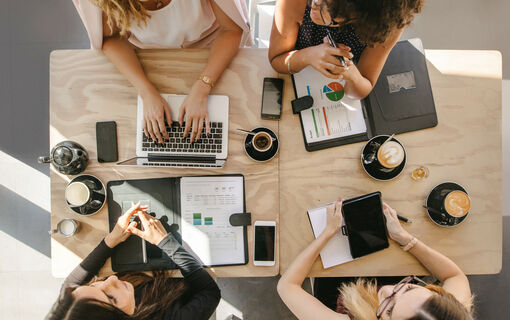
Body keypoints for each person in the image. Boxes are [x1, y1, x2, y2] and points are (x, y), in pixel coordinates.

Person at [72, 0, 251, 143]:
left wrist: (203, 86)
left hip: (212, 48)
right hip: (147, 57)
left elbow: (231, 29)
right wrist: (146, 92)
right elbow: (110, 37)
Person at [277, 197, 474, 320]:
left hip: (338, 287)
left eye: (390, 310)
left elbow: (287, 286)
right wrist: (405, 238)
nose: (388, 289)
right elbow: (454, 276)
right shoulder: (448, 314)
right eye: (410, 288)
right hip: (388, 264)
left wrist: (328, 233)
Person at [45, 202, 220, 320]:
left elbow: (71, 285)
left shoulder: (71, 310)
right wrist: (164, 242)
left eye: (94, 286)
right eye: (111, 298)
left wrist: (111, 240)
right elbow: (210, 292)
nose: (111, 280)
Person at [269, 0, 423, 99]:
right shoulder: (295, 2)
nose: (315, 3)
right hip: (295, 80)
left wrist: (351, 75)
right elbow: (276, 59)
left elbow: (364, 85)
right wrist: (308, 56)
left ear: (362, 17)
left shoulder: (385, 25)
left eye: (330, 7)